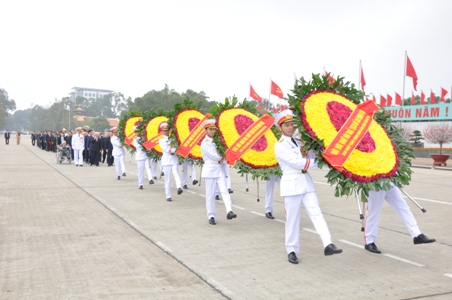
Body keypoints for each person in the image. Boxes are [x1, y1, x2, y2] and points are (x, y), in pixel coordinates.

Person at [273, 110, 342, 264]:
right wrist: (320, 162)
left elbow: (311, 156)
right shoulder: (280, 146)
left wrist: (319, 148)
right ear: (280, 127)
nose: (290, 128)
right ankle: (291, 249)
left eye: (292, 124)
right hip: (291, 184)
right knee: (292, 219)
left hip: (306, 183)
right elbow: (297, 163)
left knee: (316, 213)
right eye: (287, 125)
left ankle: (328, 244)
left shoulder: (300, 142)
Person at [364, 184, 435, 253]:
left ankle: (417, 235)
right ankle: (369, 241)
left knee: (403, 208)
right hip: (374, 184)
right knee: (373, 213)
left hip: (389, 181)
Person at [200, 119, 237, 225]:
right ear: (205, 130)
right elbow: (215, 156)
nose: (212, 131)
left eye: (214, 129)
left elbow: (221, 156)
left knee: (224, 190)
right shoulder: (205, 143)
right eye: (210, 129)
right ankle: (211, 216)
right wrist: (223, 155)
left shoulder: (217, 141)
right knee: (210, 195)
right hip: (209, 169)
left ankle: (229, 211)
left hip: (219, 169)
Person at [158, 122, 183, 201]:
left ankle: (179, 187)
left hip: (174, 159)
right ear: (162, 131)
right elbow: (166, 149)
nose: (166, 132)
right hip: (166, 160)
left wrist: (175, 149)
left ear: (169, 131)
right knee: (167, 179)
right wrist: (173, 150)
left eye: (167, 130)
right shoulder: (161, 140)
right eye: (164, 130)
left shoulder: (173, 139)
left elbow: (177, 147)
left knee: (176, 174)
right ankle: (168, 195)